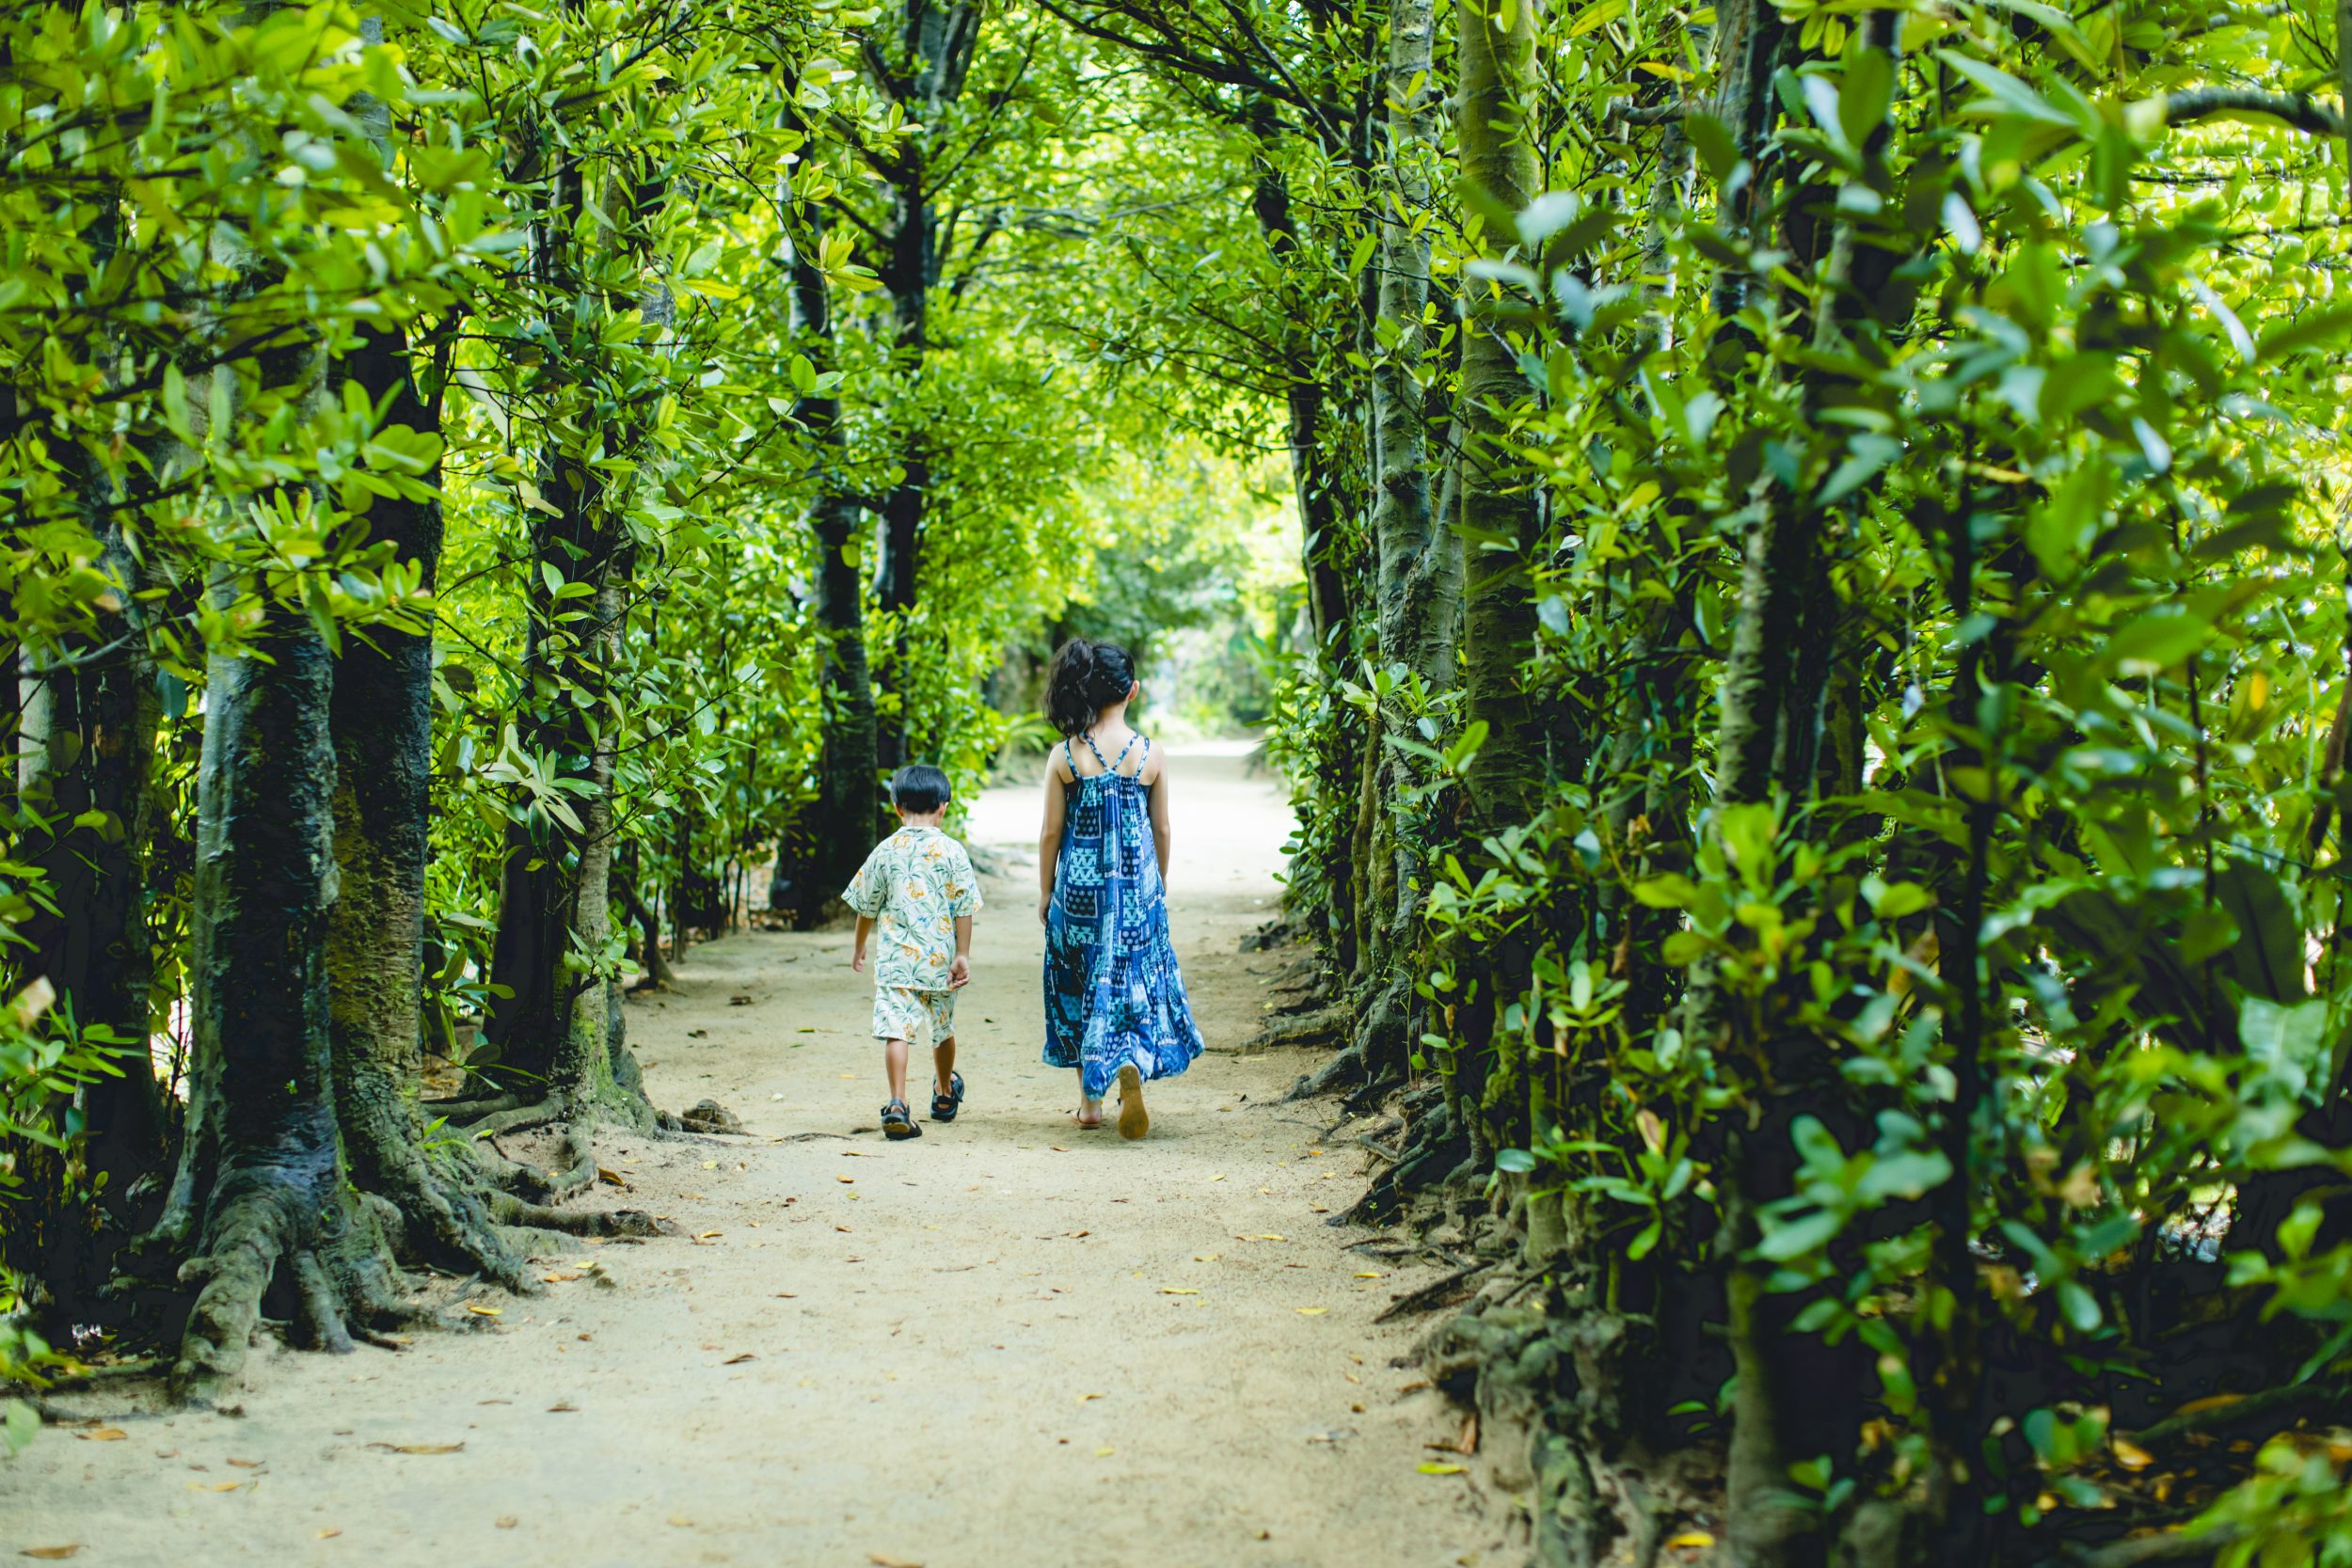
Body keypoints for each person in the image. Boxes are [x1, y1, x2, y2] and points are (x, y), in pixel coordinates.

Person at [1036, 638, 1204, 1137]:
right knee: (1131, 979)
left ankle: (1090, 1104)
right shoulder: (1150, 755)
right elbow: (1163, 829)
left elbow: (1049, 833)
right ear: (1133, 691)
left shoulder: (1066, 755)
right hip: (1136, 890)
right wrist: (1160, 880)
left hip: (1080, 892)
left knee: (1083, 980)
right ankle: (1131, 1059)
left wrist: (1046, 893)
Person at [846, 764, 982, 1140]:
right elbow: (964, 907)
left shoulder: (885, 850)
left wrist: (859, 947)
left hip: (895, 963)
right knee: (942, 1029)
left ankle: (897, 1104)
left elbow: (866, 907)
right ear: (944, 806)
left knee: (896, 1031)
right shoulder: (952, 851)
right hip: (939, 962)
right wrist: (963, 954)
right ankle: (942, 1093)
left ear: (896, 807)